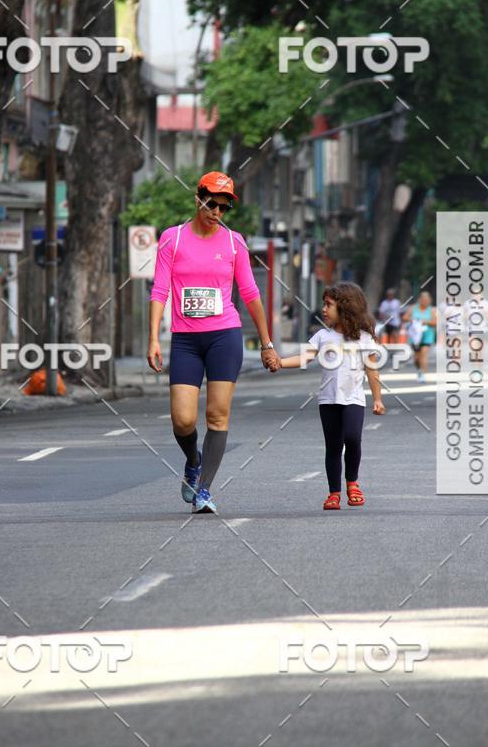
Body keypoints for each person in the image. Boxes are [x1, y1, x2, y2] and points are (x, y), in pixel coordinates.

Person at [147, 171, 281, 514]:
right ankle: (193, 461)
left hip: (224, 335)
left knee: (217, 415)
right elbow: (160, 290)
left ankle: (203, 489)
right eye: (211, 204)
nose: (216, 212)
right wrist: (153, 338)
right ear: (198, 198)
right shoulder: (173, 239)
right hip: (186, 340)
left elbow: (250, 293)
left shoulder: (234, 242)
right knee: (183, 419)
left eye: (224, 207)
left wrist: (266, 343)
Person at [267, 282, 385, 510]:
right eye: (324, 304)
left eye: (328, 304)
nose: (323, 309)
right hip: (328, 401)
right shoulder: (322, 335)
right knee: (333, 447)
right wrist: (280, 362)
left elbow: (372, 370)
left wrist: (377, 399)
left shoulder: (364, 338)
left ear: (345, 307)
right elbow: (304, 358)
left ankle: (352, 482)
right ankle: (334, 493)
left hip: (353, 399)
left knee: (352, 438)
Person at [403, 291, 437, 382]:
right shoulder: (413, 308)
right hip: (415, 336)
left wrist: (425, 322)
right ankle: (419, 370)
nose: (425, 302)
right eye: (423, 300)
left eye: (427, 300)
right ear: (420, 300)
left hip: (427, 335)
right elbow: (404, 317)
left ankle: (422, 374)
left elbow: (435, 322)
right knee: (416, 358)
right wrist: (413, 320)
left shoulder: (431, 310)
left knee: (423, 354)